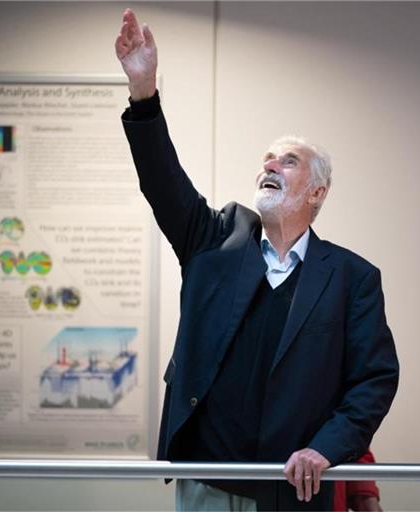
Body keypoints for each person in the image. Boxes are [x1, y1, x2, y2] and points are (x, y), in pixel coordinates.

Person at [116, 9, 399, 511]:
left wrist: (326, 449)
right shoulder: (216, 238)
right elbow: (162, 181)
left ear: (317, 191)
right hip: (207, 482)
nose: (270, 164)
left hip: (293, 490)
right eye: (267, 158)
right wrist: (143, 92)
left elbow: (372, 383)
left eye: (288, 161)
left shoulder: (352, 278)